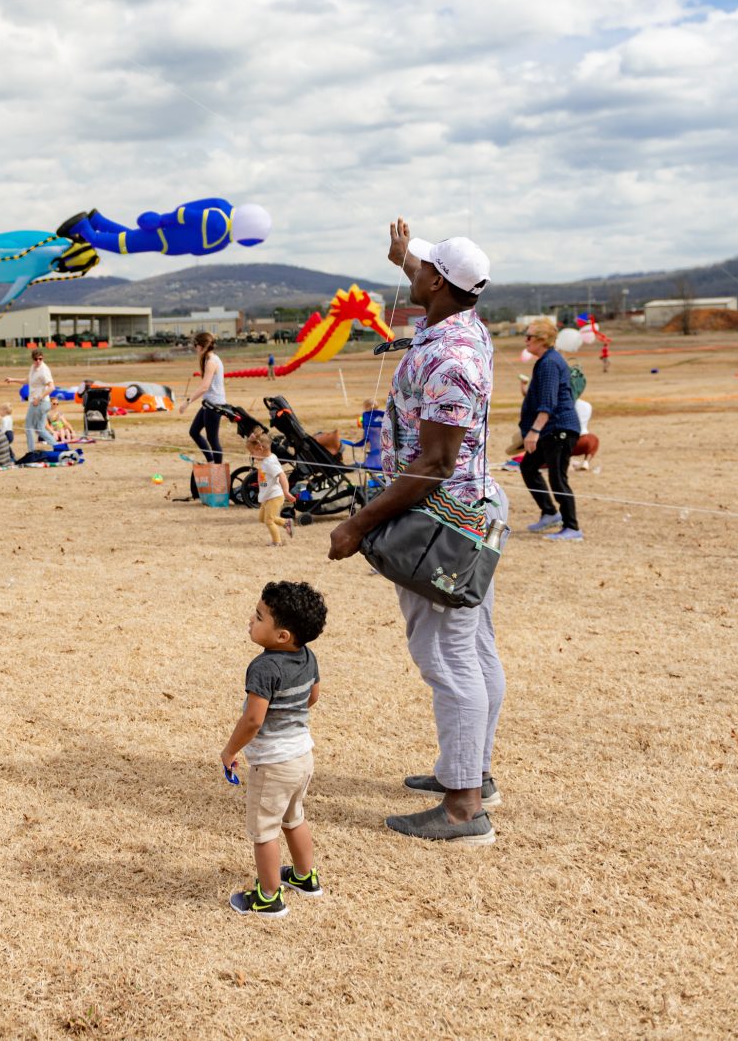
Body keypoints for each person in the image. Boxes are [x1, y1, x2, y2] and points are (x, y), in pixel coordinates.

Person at [327, 223, 503, 846]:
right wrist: (405, 255)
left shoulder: (450, 358)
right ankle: (471, 776)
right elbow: (431, 278)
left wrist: (358, 523)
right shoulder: (461, 323)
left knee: (451, 660)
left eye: (421, 266)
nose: (413, 270)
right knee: (475, 650)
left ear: (438, 283)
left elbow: (433, 464)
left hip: (443, 526)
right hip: (461, 512)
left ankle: (463, 811)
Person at [220, 580, 326, 916]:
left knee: (264, 830)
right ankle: (305, 877)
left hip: (275, 764)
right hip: (302, 756)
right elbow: (313, 696)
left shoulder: (264, 667)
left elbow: (253, 720)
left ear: (282, 636)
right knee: (294, 818)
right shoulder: (307, 656)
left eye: (259, 616)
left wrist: (229, 751)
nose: (251, 620)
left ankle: (268, 897)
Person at [518, 319, 582, 540]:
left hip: (559, 429)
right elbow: (544, 396)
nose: (525, 340)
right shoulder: (546, 361)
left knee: (558, 478)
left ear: (542, 340)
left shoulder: (549, 363)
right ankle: (549, 512)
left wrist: (534, 431)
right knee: (528, 467)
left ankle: (572, 528)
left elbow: (549, 403)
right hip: (550, 429)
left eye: (529, 336)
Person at [184, 332, 227, 465]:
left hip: (214, 405)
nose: (195, 348)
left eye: (195, 345)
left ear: (202, 346)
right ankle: (211, 461)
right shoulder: (210, 359)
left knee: (213, 439)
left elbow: (204, 387)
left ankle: (218, 470)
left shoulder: (211, 362)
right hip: (208, 403)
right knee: (194, 431)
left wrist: (187, 402)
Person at [249, 431, 288, 547]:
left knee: (269, 520)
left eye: (252, 452)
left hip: (274, 496)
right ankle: (286, 523)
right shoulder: (266, 460)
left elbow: (282, 475)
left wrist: (286, 491)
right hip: (267, 495)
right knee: (262, 518)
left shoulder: (269, 463)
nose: (251, 455)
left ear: (260, 448)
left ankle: (277, 542)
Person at [24, 349, 54, 454]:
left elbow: (51, 387)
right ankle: (58, 446)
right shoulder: (33, 368)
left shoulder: (44, 370)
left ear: (43, 358)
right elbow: (27, 381)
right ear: (32, 359)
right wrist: (12, 379)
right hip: (39, 402)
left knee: (28, 427)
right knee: (40, 429)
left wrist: (39, 398)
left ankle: (31, 452)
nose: (38, 361)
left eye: (40, 359)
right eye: (36, 359)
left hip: (40, 403)